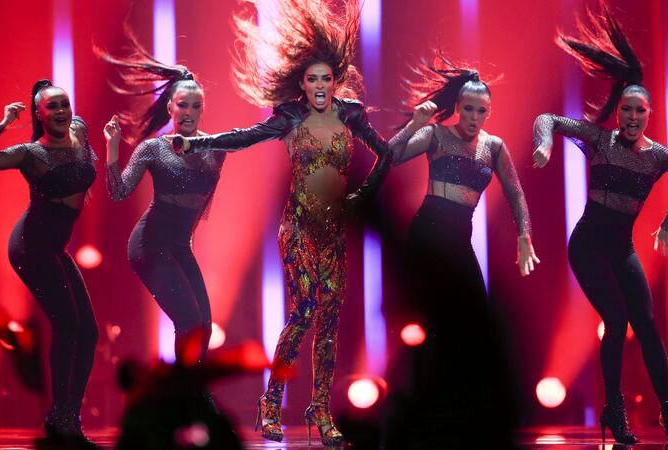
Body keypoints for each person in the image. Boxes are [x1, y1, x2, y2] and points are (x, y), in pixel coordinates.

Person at [171, 0, 392, 444]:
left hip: (334, 231)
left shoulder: (350, 113)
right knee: (302, 314)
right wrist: (199, 144)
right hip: (298, 229)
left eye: (326, 78)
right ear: (301, 83)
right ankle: (271, 404)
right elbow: (245, 137)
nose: (320, 86)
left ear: (336, 79)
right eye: (311, 79)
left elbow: (387, 154)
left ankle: (322, 413)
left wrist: (362, 196)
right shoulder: (290, 116)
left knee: (329, 323)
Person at [532, 2, 668, 443]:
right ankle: (616, 412)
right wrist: (545, 143)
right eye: (626, 109)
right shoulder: (600, 139)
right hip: (586, 245)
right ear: (619, 111)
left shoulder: (660, 156)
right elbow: (547, 118)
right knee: (616, 320)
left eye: (639, 111)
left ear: (649, 115)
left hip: (622, 247)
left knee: (646, 325)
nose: (631, 117)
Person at [384, 53, 537, 448]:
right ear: (458, 108)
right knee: (429, 321)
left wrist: (525, 236)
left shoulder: (495, 147)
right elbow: (392, 156)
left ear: (488, 112)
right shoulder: (437, 135)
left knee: (474, 316)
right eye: (467, 108)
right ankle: (420, 401)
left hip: (459, 238)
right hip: (427, 233)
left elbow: (517, 195)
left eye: (481, 110)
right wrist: (415, 124)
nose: (473, 117)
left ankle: (460, 403)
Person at [0, 80, 99, 447]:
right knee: (68, 326)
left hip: (57, 246)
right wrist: (3, 124)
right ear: (39, 114)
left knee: (89, 332)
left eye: (64, 104)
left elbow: (84, 170)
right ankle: (60, 419)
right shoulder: (30, 153)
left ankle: (69, 415)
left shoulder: (80, 131)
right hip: (30, 246)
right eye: (52, 106)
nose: (61, 111)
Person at [97, 30, 224, 361]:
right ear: (171, 107)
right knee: (189, 321)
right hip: (149, 244)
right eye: (183, 105)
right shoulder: (153, 148)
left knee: (205, 325)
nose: (189, 112)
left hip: (180, 246)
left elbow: (200, 206)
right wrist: (112, 150)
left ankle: (193, 394)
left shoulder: (216, 148)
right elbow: (119, 192)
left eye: (196, 106)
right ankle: (178, 399)